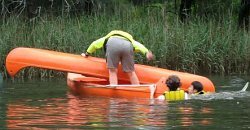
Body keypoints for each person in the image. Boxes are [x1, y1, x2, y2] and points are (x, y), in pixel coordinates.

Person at [81, 30, 154, 85]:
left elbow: (94, 44)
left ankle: (114, 89)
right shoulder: (131, 41)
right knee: (131, 72)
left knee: (112, 71)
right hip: (127, 45)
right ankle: (138, 89)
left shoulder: (107, 37)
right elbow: (140, 46)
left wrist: (87, 53)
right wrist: (146, 52)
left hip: (112, 43)